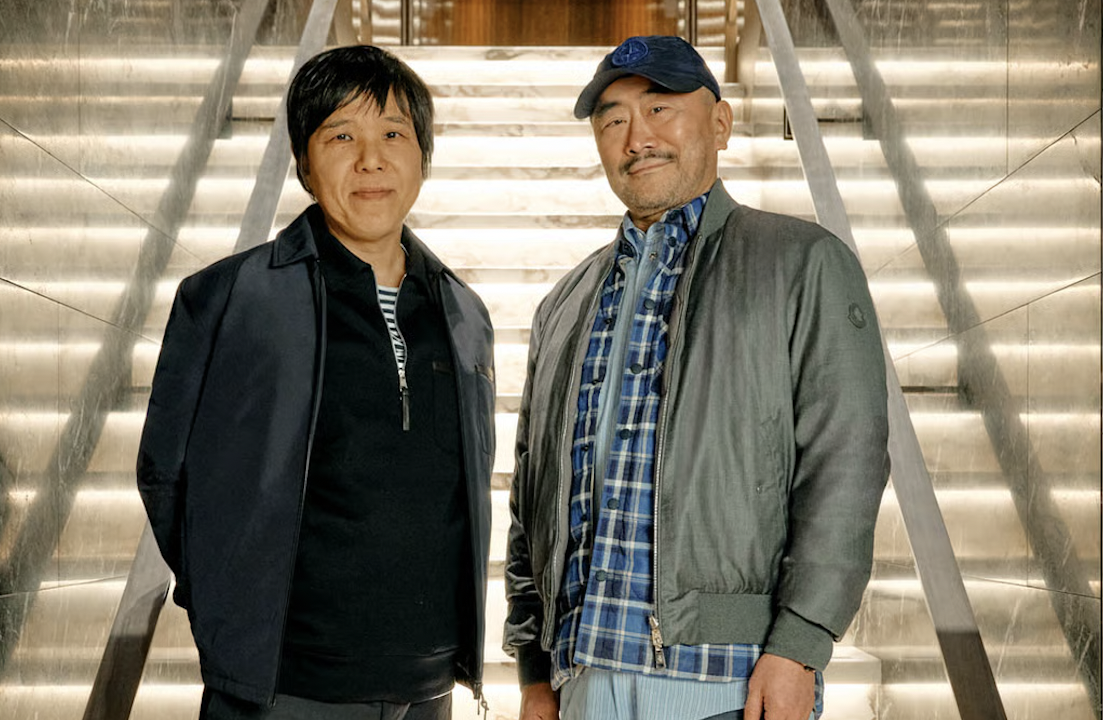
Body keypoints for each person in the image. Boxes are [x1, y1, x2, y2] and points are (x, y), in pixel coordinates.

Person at [503, 35, 890, 720]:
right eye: (613, 120)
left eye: (660, 109)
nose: (636, 138)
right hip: (583, 684)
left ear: (721, 123)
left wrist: (800, 643)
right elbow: (530, 497)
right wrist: (534, 666)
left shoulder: (802, 264)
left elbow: (846, 461)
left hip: (731, 685)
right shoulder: (564, 303)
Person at [137, 45, 496, 720]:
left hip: (425, 686)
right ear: (304, 163)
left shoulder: (461, 313)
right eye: (341, 137)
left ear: (422, 158)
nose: (371, 160)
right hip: (285, 689)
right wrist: (227, 600)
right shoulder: (229, 298)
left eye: (394, 135)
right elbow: (165, 474)